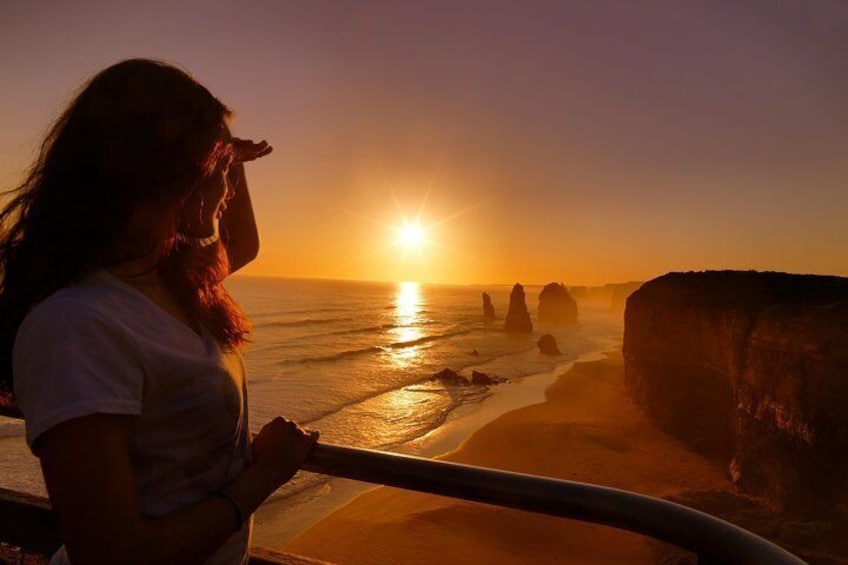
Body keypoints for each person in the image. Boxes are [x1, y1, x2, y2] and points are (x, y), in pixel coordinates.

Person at [0, 58, 318, 564]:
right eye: (218, 169)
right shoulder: (77, 325)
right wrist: (266, 475)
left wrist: (229, 158)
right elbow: (114, 554)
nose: (228, 187)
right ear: (170, 173)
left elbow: (242, 244)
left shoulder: (169, 283)